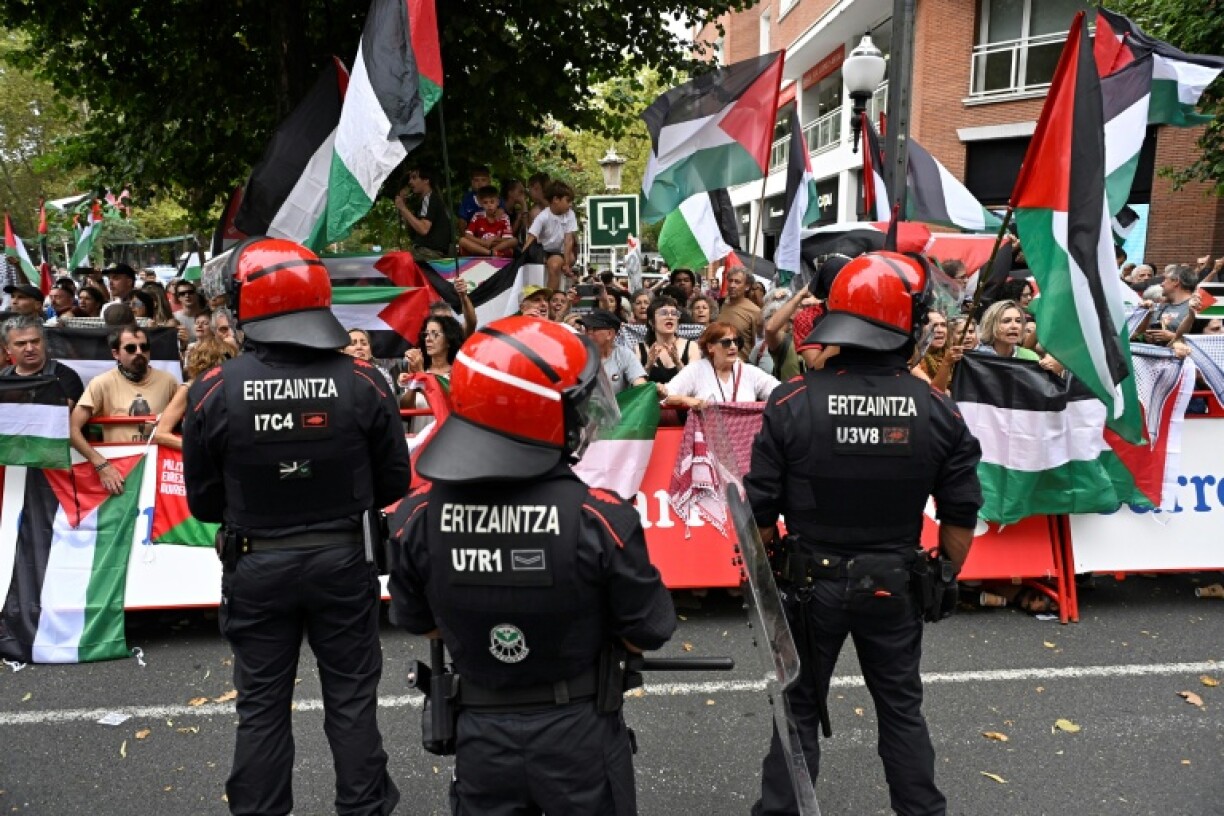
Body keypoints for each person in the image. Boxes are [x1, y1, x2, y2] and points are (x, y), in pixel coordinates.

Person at [387, 315, 676, 815]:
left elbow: (422, 624)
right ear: (536, 411)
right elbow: (643, 633)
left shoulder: (416, 517)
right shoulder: (600, 518)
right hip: (579, 732)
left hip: (480, 733)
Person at [745, 251, 983, 816]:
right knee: (901, 708)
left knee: (798, 708)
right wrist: (945, 576)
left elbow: (757, 511)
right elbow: (961, 512)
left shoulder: (791, 401)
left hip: (808, 586)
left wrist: (767, 572)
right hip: (896, 582)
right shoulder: (939, 411)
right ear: (907, 324)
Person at [182, 237, 409, 816]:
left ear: (250, 307)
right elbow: (393, 484)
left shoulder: (213, 390)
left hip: (255, 562)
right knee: (353, 702)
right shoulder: (365, 382)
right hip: (344, 561)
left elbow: (205, 503)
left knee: (260, 705)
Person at [70, 325, 180, 494]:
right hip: (119, 473)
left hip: (159, 471)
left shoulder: (169, 381)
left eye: (144, 347)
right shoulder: (101, 383)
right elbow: (72, 429)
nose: (139, 352)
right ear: (116, 354)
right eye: (130, 348)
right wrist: (101, 464)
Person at [662, 321, 779, 410]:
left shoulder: (749, 371)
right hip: (708, 437)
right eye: (726, 343)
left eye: (736, 342)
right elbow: (665, 396)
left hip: (745, 437)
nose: (733, 346)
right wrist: (685, 399)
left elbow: (780, 392)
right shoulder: (696, 370)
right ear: (710, 347)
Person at [152, 338, 236, 451]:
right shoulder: (189, 389)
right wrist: (199, 450)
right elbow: (161, 434)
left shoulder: (232, 387)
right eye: (228, 361)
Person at [1, 315, 85, 405]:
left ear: (44, 342)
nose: (30, 348)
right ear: (7, 349)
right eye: (21, 344)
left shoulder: (65, 377)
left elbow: (60, 413)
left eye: (35, 341)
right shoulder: (3, 377)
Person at [520, 181, 578, 292]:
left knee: (557, 264)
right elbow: (531, 238)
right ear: (556, 200)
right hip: (544, 250)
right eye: (568, 201)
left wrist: (566, 263)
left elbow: (568, 240)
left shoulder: (570, 214)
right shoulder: (543, 217)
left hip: (559, 250)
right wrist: (521, 258)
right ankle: (548, 297)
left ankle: (551, 297)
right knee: (555, 265)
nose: (570, 205)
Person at [579, 309, 648, 394]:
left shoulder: (624, 355)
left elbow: (640, 386)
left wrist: (650, 388)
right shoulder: (578, 355)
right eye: (586, 328)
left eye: (592, 329)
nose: (587, 333)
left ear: (610, 334)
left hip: (616, 406)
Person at [396, 167, 454, 261]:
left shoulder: (429, 198)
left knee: (394, 261)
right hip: (426, 252)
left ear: (426, 180)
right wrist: (404, 208)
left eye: (414, 178)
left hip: (429, 253)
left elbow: (423, 229)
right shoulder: (424, 201)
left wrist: (403, 208)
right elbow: (412, 233)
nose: (410, 182)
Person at [637, 296, 696, 384]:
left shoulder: (691, 346)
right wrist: (648, 366)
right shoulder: (639, 349)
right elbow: (636, 388)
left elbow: (694, 384)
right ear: (651, 322)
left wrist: (678, 363)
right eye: (663, 313)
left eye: (674, 313)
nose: (670, 317)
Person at [458, 184, 518, 257]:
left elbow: (507, 238)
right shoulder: (477, 216)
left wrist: (494, 240)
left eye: (492, 202)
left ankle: (493, 251)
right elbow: (468, 235)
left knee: (514, 241)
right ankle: (490, 253)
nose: (489, 205)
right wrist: (483, 243)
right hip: (481, 246)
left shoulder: (504, 217)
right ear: (481, 204)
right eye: (485, 203)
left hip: (497, 245)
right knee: (462, 240)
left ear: (498, 202)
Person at [718, 267, 761, 362]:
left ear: (747, 287)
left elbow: (757, 345)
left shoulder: (755, 311)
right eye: (730, 281)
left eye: (737, 282)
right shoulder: (722, 305)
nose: (732, 285)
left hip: (742, 366)